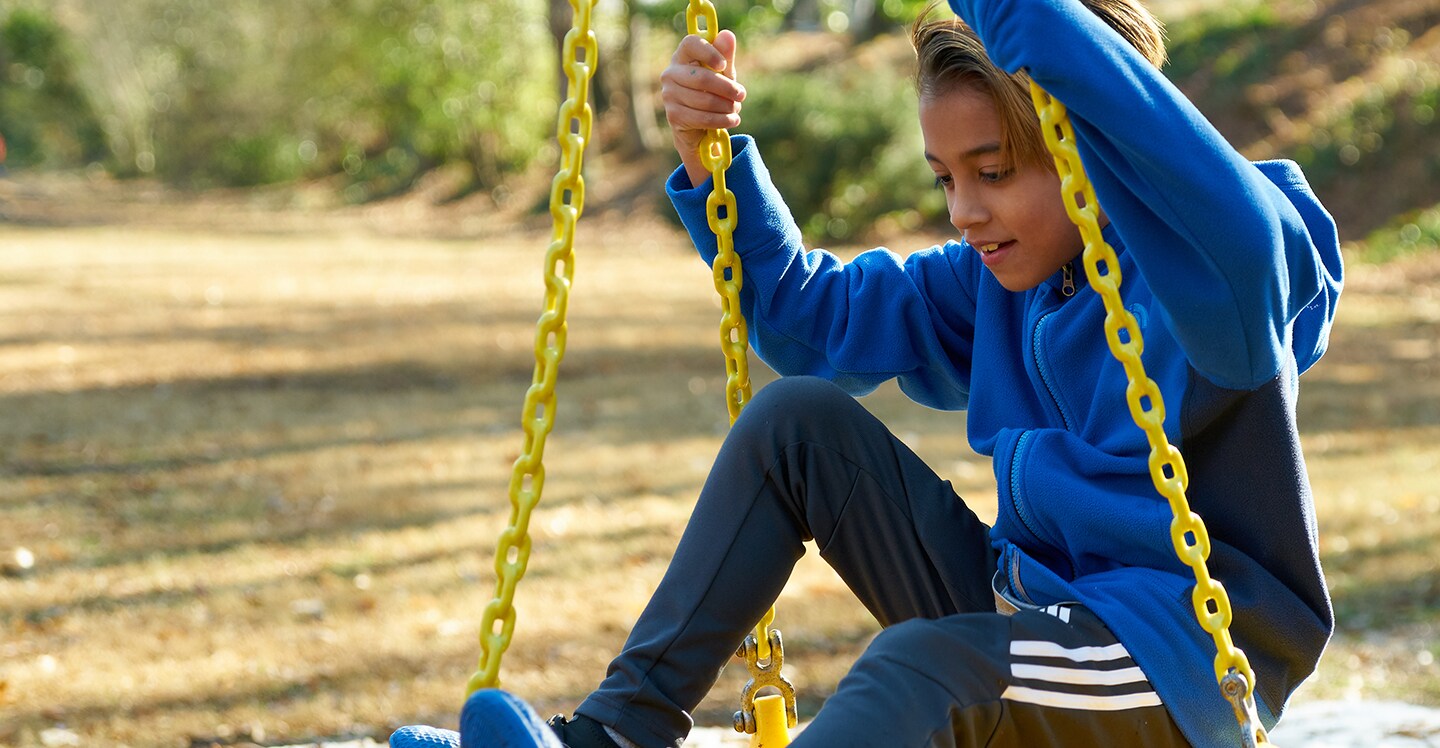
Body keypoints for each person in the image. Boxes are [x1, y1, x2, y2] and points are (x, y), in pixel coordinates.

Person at [392, 0, 1343, 745]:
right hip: (1028, 614)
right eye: (944, 178)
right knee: (795, 423)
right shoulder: (1000, 284)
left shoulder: (1217, 278)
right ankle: (614, 737)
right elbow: (811, 325)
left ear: (1091, 139)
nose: (966, 209)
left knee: (917, 664)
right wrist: (711, 168)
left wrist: (1052, 38)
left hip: (1174, 665)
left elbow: (1244, 244)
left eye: (996, 169)